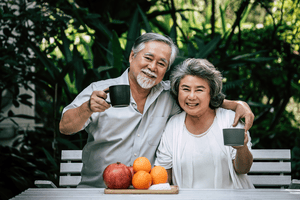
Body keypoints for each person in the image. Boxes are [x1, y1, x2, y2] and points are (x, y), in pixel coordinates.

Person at [59, 33, 254, 188]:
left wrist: (237, 105)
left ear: (166, 70)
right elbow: (65, 127)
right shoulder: (100, 90)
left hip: (144, 191)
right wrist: (87, 108)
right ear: (132, 56)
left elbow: (198, 98)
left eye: (161, 63)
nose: (152, 67)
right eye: (148, 58)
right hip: (98, 190)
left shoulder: (170, 94)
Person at [154, 58, 254, 189]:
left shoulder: (230, 120)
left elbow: (243, 169)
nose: (191, 96)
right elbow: (164, 174)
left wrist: (242, 148)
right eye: (185, 89)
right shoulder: (173, 125)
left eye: (199, 90)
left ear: (211, 93)